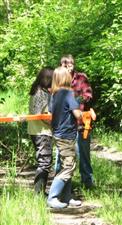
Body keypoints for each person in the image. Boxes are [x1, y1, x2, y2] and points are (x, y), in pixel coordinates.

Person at [47, 67, 82, 209]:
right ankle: (53, 197)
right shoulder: (69, 94)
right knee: (69, 166)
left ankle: (66, 196)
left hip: (58, 134)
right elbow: (77, 114)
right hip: (66, 135)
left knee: (66, 163)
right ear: (66, 78)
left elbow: (51, 112)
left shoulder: (54, 95)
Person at [59, 54, 94, 189]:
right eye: (65, 65)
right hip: (63, 125)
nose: (68, 68)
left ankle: (88, 183)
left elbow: (88, 95)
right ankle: (63, 186)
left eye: (70, 65)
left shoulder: (81, 78)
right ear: (61, 66)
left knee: (83, 154)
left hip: (80, 123)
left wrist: (73, 102)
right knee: (61, 157)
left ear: (73, 65)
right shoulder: (58, 79)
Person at [28, 67, 53, 195]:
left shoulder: (37, 90)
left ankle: (41, 192)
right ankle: (38, 193)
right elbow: (38, 114)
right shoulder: (41, 93)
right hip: (41, 131)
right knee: (44, 162)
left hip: (36, 130)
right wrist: (53, 122)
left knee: (44, 161)